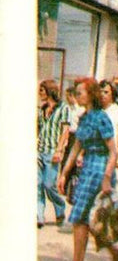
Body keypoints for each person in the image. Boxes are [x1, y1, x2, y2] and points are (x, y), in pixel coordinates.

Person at [54, 78, 118, 261]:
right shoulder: (83, 118)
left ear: (91, 94)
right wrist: (64, 173)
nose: (76, 95)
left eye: (80, 92)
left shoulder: (101, 118)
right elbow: (76, 148)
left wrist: (107, 178)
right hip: (87, 169)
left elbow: (113, 152)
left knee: (87, 218)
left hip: (100, 170)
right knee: (83, 219)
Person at [37, 80, 72, 228]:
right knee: (37, 184)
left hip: (53, 151)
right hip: (39, 150)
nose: (39, 94)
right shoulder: (41, 108)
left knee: (49, 184)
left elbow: (65, 131)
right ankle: (39, 216)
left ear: (49, 91)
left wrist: (59, 150)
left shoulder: (64, 108)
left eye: (41, 91)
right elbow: (38, 128)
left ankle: (60, 209)